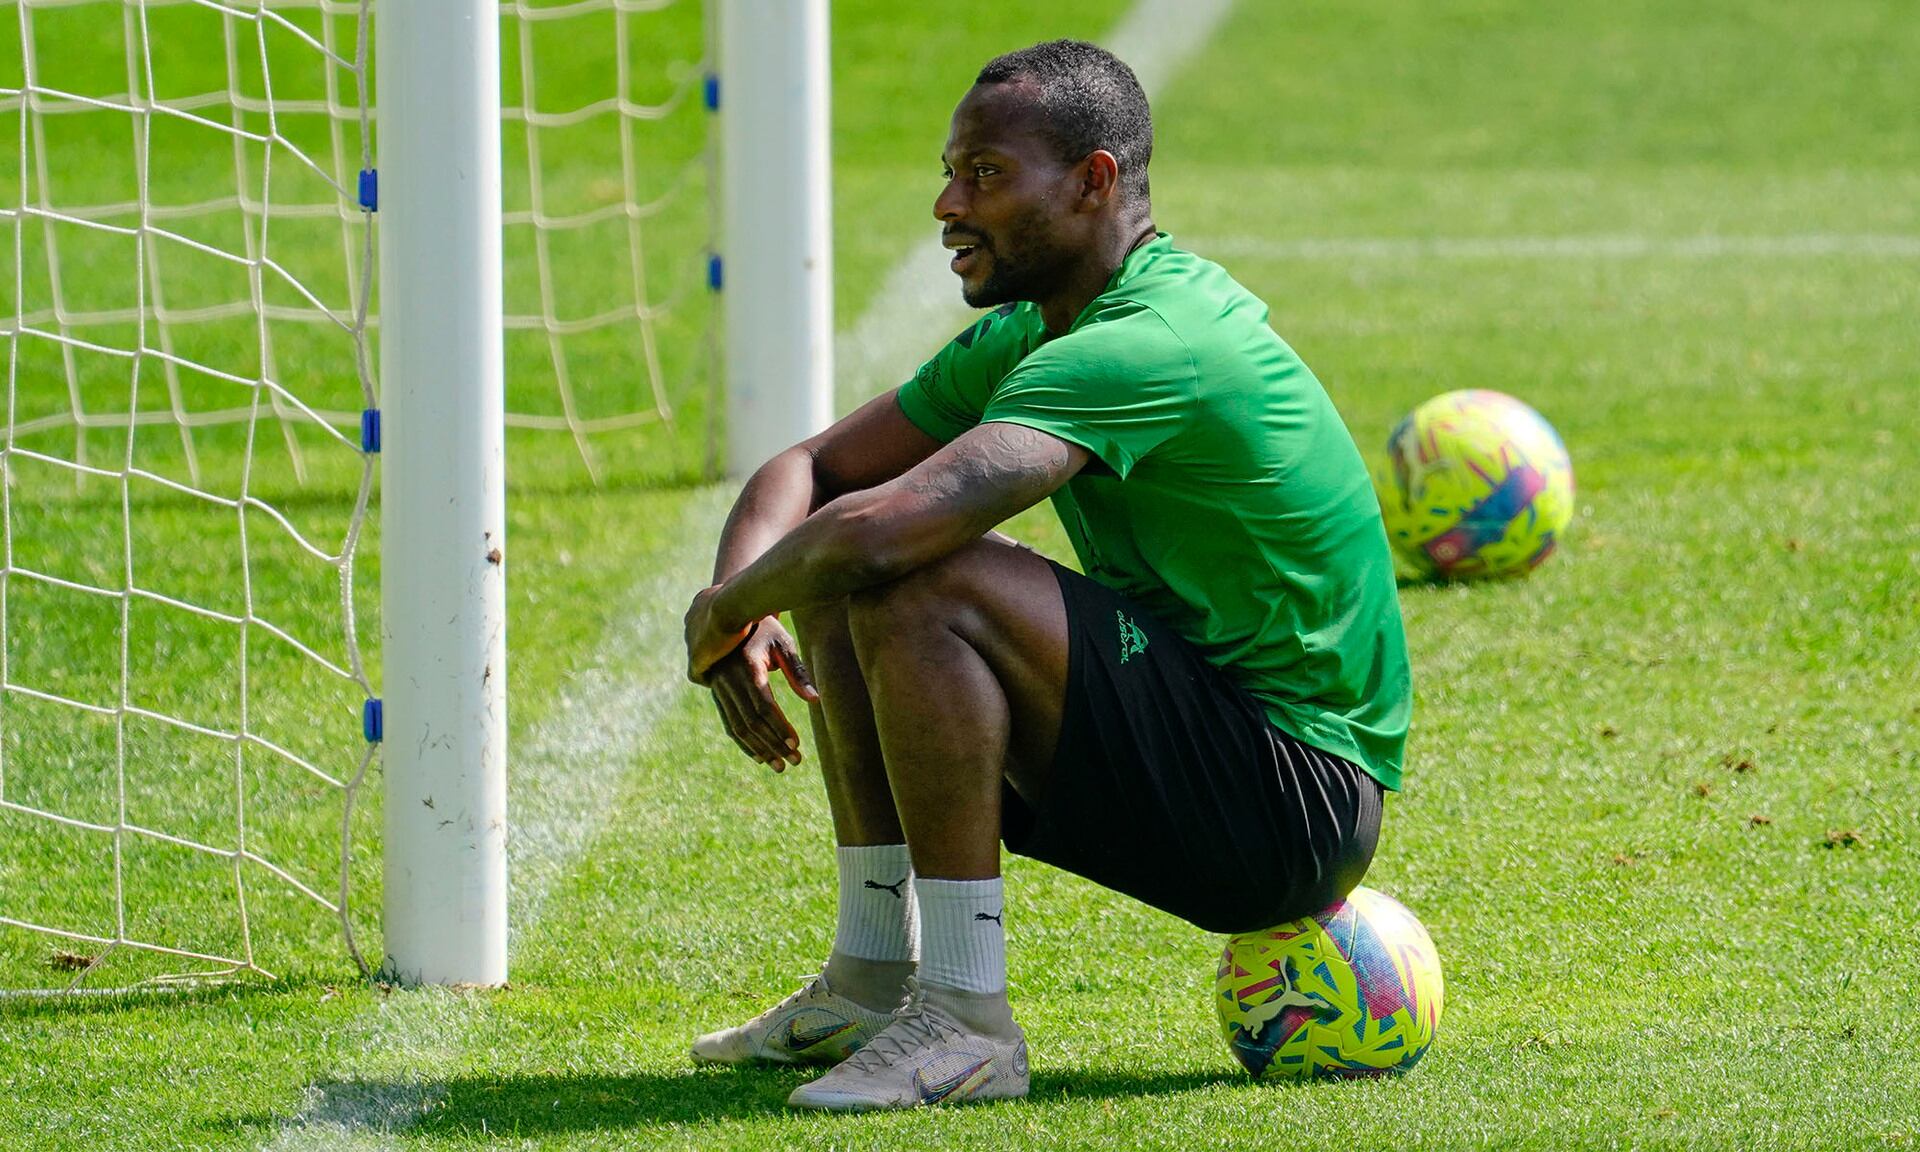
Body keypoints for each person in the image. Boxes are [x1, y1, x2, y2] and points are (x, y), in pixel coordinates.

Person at [681, 39, 1410, 1112]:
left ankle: (968, 1020)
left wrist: (720, 611)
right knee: (843, 564)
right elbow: (811, 469)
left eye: (985, 174)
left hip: (1293, 802)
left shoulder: (1154, 338)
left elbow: (892, 531)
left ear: (1094, 180)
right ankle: (873, 980)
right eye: (950, 170)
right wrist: (742, 602)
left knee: (920, 574)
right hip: (1211, 743)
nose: (946, 203)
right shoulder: (1036, 332)